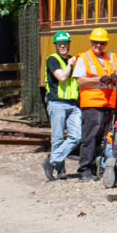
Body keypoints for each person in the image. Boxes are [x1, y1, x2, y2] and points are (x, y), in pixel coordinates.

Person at [73, 27, 117, 181]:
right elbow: (80, 81)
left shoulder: (111, 57)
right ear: (90, 41)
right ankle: (84, 169)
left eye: (101, 43)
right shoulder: (84, 58)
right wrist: (99, 79)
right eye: (96, 42)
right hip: (92, 103)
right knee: (90, 137)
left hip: (108, 103)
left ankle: (96, 168)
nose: (98, 45)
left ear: (105, 43)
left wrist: (115, 77)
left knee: (103, 137)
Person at [41, 31, 81, 181]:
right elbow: (62, 77)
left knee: (77, 136)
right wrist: (70, 65)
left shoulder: (72, 59)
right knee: (57, 139)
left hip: (72, 103)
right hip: (57, 103)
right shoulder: (53, 59)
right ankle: (60, 170)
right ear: (56, 46)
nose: (63, 46)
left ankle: (51, 161)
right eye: (60, 44)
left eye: (65, 43)